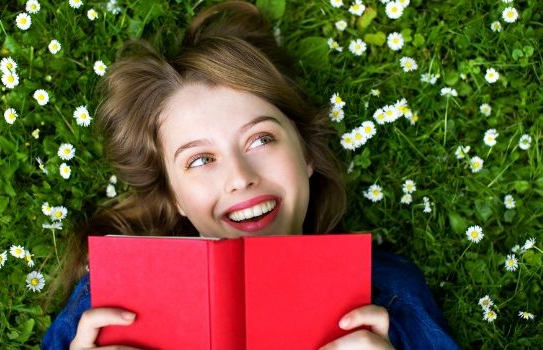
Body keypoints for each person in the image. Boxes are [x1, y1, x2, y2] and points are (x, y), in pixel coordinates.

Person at [42, 1, 460, 349]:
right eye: (200, 160)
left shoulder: (391, 295)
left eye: (261, 139)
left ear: (307, 155)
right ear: (174, 197)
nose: (240, 177)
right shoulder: (103, 307)